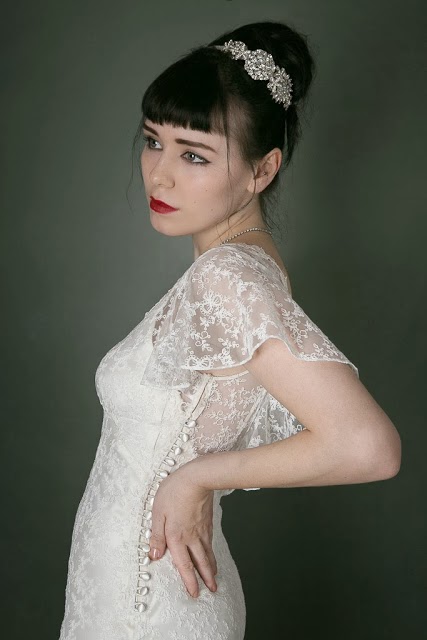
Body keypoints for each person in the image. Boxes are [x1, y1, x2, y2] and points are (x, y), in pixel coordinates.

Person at [59, 20, 401, 640]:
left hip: (153, 605)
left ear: (261, 170)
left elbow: (367, 446)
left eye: (193, 154)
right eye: (153, 141)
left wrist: (196, 476)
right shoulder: (234, 268)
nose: (159, 175)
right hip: (129, 589)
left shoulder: (230, 278)